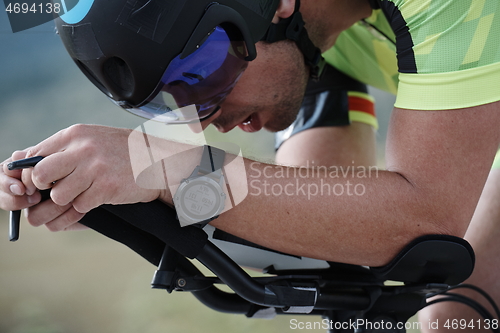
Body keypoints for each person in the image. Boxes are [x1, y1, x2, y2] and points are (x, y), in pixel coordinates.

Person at [1, 0, 500, 330]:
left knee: (457, 319)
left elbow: (425, 221)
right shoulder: (302, 33)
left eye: (200, 76)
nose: (204, 122)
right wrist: (128, 199)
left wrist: (167, 168)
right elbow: (327, 246)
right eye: (167, 106)